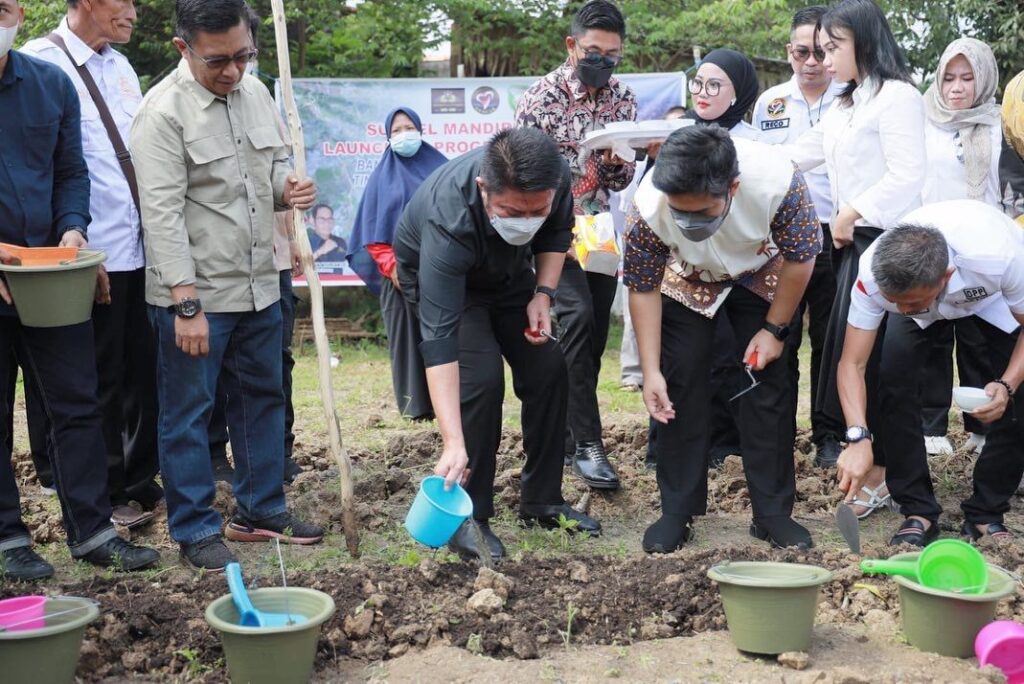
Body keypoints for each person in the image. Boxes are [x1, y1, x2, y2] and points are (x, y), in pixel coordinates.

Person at [131, 0, 322, 571]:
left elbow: (265, 176)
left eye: (243, 56)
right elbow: (160, 215)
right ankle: (193, 529)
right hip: (198, 296)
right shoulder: (161, 113)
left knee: (264, 397)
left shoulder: (256, 94)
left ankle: (261, 510)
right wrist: (185, 302)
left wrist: (288, 189)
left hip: (261, 284)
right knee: (189, 413)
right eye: (218, 61)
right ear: (183, 48)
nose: (233, 71)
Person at [0, 0, 160, 580]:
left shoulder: (48, 84)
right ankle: (9, 539)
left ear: (17, 11)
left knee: (77, 401)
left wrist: (74, 228)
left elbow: (72, 172)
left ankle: (92, 531)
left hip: (51, 275)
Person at [393, 127, 601, 562]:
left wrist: (542, 295)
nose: (525, 220)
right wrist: (452, 441)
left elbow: (555, 236)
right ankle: (470, 516)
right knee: (481, 380)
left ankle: (542, 501)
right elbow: (440, 340)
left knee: (548, 366)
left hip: (509, 278)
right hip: (451, 285)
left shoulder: (554, 178)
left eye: (535, 210)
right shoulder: (448, 216)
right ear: (484, 189)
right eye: (511, 211)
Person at [625, 125, 821, 553]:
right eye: (682, 212)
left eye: (703, 211)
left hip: (762, 274)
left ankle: (772, 514)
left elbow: (802, 259)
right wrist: (651, 370)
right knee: (679, 385)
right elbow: (642, 286)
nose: (690, 221)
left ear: (733, 186)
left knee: (767, 385)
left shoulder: (779, 181)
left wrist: (774, 330)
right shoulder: (648, 204)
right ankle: (677, 510)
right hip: (688, 279)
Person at [786, 0, 926, 519]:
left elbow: (908, 173)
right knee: (851, 360)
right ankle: (867, 461)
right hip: (853, 245)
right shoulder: (846, 104)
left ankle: (888, 473)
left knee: (887, 366)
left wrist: (853, 210)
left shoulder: (898, 97)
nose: (822, 59)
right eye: (819, 49)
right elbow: (803, 152)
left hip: (890, 246)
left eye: (833, 47)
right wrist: (732, 154)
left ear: (864, 42)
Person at [836, 201, 1024, 545]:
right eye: (896, 303)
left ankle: (986, 512)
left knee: (1020, 396)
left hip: (992, 297)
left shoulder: (1001, 256)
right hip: (928, 295)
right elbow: (852, 364)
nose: (903, 311)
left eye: (910, 303)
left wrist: (1007, 385)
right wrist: (858, 436)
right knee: (892, 381)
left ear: (946, 277)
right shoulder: (871, 274)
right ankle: (918, 510)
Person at [516, 0, 637, 491]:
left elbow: (624, 174)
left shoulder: (623, 98)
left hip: (599, 231)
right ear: (571, 46)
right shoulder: (539, 98)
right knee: (578, 318)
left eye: (612, 55)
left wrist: (613, 164)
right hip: (551, 233)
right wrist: (553, 230)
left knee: (588, 334)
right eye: (593, 52)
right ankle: (589, 445)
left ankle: (566, 437)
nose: (602, 63)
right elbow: (523, 173)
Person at [753, 6, 845, 467]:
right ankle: (777, 435)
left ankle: (829, 435)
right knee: (779, 334)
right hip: (780, 241)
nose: (811, 62)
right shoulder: (769, 102)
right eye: (801, 52)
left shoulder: (852, 98)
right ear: (789, 52)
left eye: (820, 52)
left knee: (831, 340)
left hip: (837, 235)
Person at [916, 38, 1003, 458]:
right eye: (949, 77)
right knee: (931, 333)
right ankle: (931, 425)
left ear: (983, 79)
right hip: (933, 240)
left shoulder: (998, 124)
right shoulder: (924, 120)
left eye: (967, 78)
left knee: (979, 340)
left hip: (984, 244)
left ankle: (981, 426)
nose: (956, 87)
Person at [682, 48, 761, 465]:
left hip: (740, 264)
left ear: (739, 93)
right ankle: (675, 446)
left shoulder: (753, 143)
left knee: (730, 352)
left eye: (715, 85)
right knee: (685, 355)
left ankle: (728, 444)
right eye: (698, 83)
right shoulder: (673, 135)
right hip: (683, 265)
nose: (703, 93)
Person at [348, 107, 448, 421]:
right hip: (398, 275)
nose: (404, 134)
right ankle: (414, 406)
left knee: (443, 336)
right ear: (388, 137)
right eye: (396, 131)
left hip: (442, 269)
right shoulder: (382, 177)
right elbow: (373, 228)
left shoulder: (441, 168)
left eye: (409, 127)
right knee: (406, 339)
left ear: (420, 129)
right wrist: (392, 268)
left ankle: (448, 403)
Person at [617, 105, 686, 395]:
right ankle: (633, 372)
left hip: (681, 251)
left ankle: (665, 369)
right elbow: (627, 204)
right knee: (636, 305)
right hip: (641, 246)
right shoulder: (642, 168)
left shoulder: (692, 165)